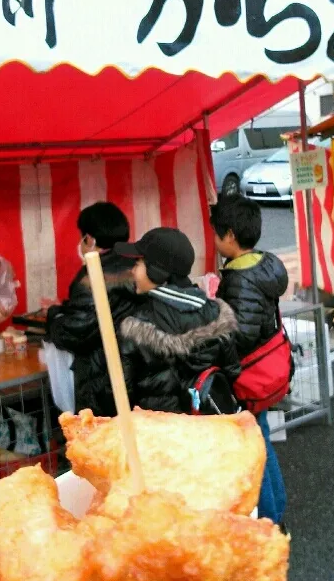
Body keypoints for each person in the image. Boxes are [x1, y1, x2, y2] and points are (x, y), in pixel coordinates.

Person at [210, 195, 289, 526]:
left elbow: (240, 336)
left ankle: (270, 521)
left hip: (249, 375)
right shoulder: (265, 264)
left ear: (229, 236)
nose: (213, 241)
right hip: (269, 366)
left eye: (215, 234)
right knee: (263, 441)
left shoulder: (239, 279)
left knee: (256, 447)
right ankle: (277, 511)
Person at [114, 227, 240, 413]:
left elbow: (120, 393)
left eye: (139, 263)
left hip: (161, 433)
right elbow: (232, 371)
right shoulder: (217, 313)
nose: (133, 271)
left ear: (156, 272)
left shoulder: (136, 326)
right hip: (209, 427)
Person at [46, 202, 137, 415]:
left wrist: (54, 316)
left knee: (102, 441)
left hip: (103, 378)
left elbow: (75, 332)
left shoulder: (91, 277)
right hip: (135, 371)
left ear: (89, 239)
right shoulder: (137, 265)